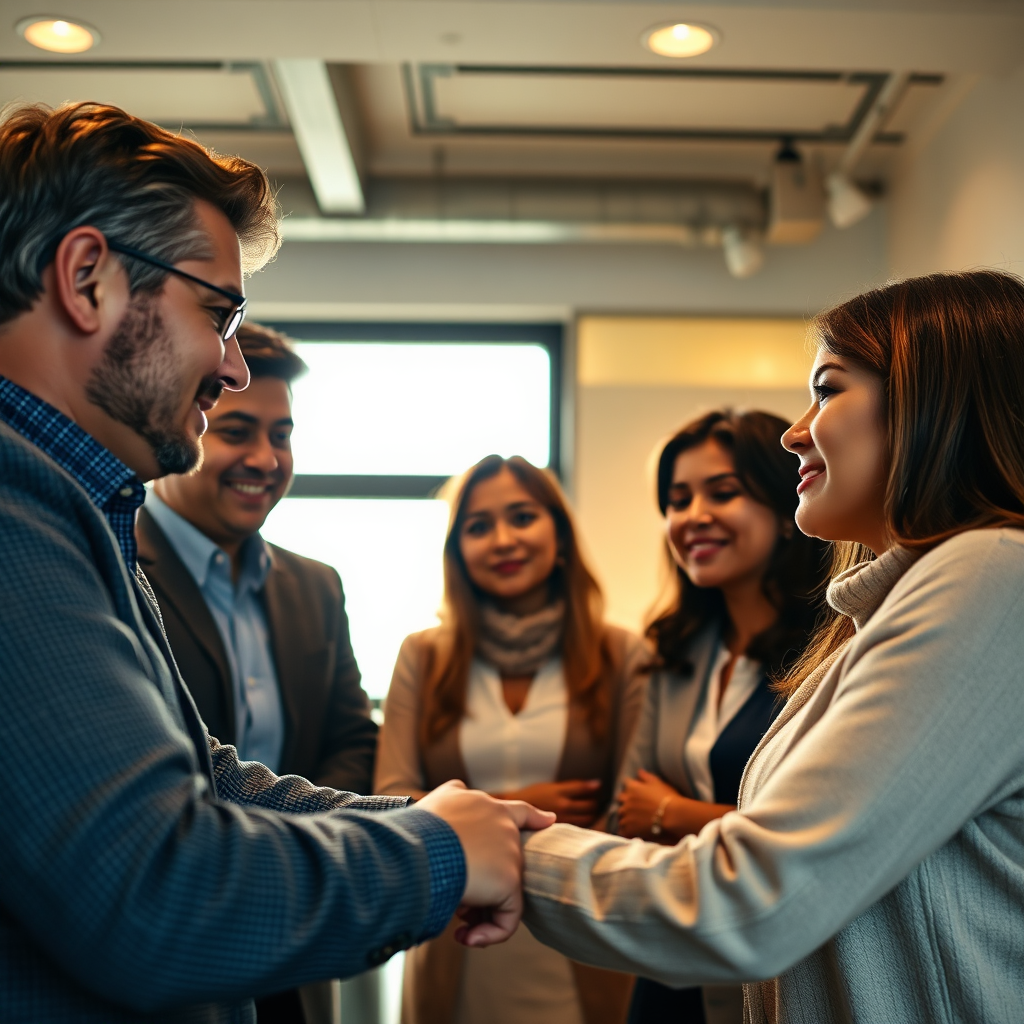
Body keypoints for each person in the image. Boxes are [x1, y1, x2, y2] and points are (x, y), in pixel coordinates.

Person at [0, 101, 551, 1024]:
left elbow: (205, 778)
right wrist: (436, 855)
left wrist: (421, 820)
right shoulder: (18, 512)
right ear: (87, 277)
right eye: (216, 313)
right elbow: (159, 898)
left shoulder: (81, 509)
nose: (230, 368)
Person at [517, 270, 1024, 1024]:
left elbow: (751, 901)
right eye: (677, 500)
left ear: (931, 402)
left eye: (827, 389)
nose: (793, 431)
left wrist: (484, 854)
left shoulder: (991, 574)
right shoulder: (871, 618)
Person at [137, 320, 378, 1024]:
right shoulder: (117, 565)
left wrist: (306, 853)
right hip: (185, 933)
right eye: (237, 431)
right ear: (187, 422)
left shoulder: (316, 585)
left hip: (304, 924)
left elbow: (353, 738)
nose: (266, 458)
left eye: (283, 434)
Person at [375, 455, 650, 1024]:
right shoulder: (423, 656)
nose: (502, 540)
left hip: (580, 928)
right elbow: (396, 802)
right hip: (458, 931)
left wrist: (473, 821)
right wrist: (517, 805)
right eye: (477, 526)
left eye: (522, 517)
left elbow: (630, 813)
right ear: (458, 552)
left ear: (561, 535)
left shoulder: (624, 655)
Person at [612, 410, 830, 1024]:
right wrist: (719, 823)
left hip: (781, 962)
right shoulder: (674, 652)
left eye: (723, 492)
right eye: (677, 500)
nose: (693, 516)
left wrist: (675, 813)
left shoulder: (834, 650)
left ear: (785, 508)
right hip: (674, 953)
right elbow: (627, 812)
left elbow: (817, 839)